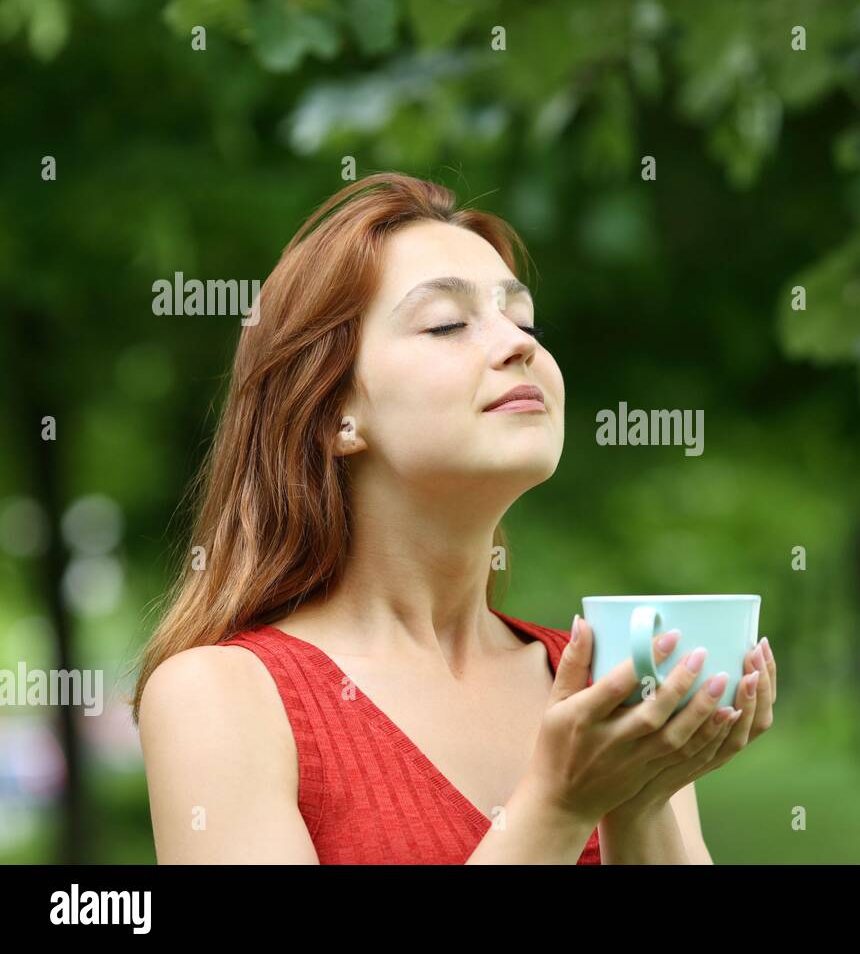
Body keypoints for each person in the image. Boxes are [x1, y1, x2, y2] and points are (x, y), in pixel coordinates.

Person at [129, 173, 777, 864]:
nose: (518, 345)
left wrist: (640, 798)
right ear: (332, 415)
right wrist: (558, 807)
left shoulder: (613, 682)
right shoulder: (221, 697)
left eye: (525, 322)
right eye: (447, 324)